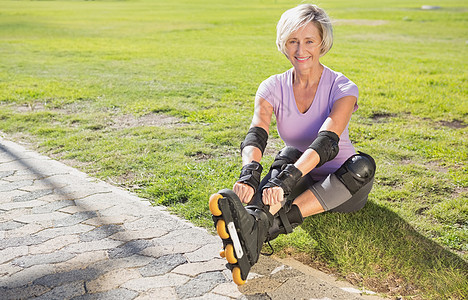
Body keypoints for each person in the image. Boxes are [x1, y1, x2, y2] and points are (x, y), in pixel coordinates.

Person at [209, 3, 376, 286]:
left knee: (363, 164)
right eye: (293, 41)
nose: (301, 50)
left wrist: (287, 180)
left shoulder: (343, 87)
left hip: (344, 185)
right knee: (287, 153)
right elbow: (257, 131)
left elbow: (327, 142)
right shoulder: (272, 86)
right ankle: (251, 230)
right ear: (283, 44)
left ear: (322, 43)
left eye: (309, 41)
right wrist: (249, 172)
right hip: (302, 175)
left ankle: (265, 227)